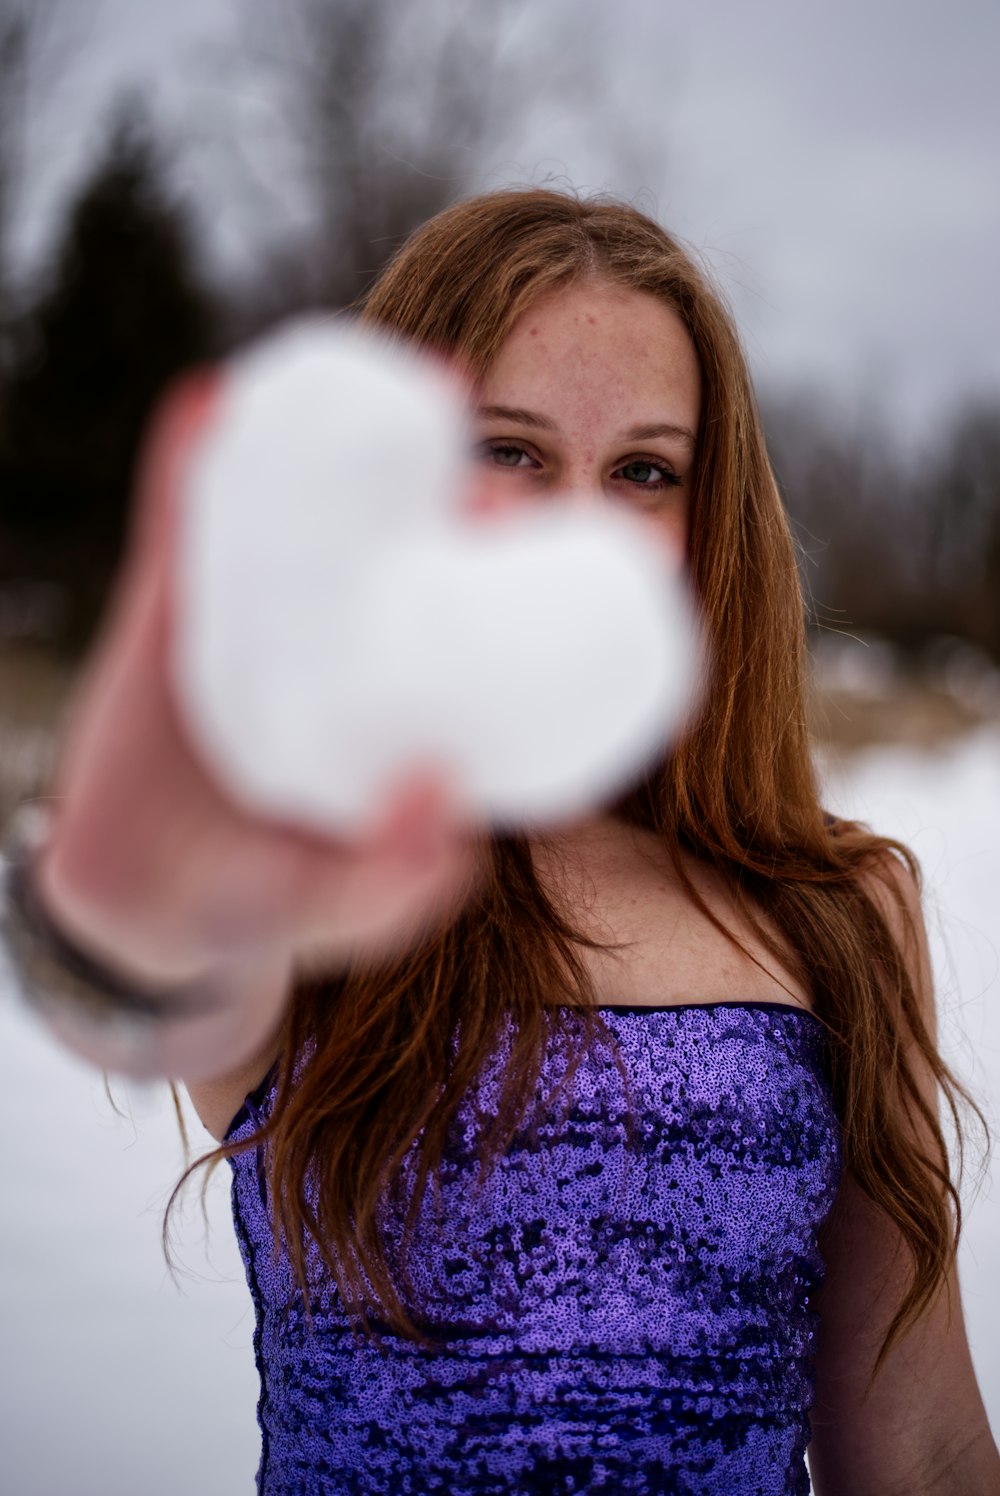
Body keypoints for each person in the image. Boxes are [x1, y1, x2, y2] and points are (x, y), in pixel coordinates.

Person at [2, 188, 997, 1495]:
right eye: (511, 450)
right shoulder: (324, 870)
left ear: (709, 532)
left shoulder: (841, 905)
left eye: (645, 470)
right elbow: (151, 983)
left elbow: (919, 1451)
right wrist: (109, 901)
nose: (577, 523)